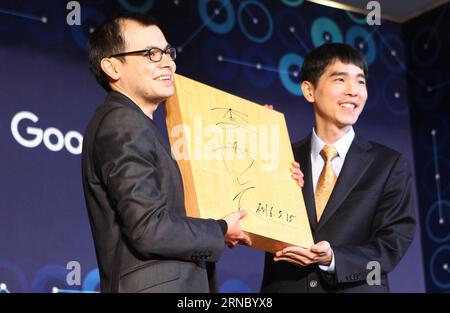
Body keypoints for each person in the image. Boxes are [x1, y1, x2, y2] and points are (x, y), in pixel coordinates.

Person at [82, 13, 251, 293]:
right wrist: (219, 229)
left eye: (167, 52)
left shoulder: (134, 124)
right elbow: (149, 229)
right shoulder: (122, 123)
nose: (168, 62)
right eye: (151, 54)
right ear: (112, 67)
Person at [261, 43, 416, 292]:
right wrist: (256, 142)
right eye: (340, 80)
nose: (354, 91)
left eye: (361, 82)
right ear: (309, 90)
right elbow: (251, 217)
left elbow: (392, 243)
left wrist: (333, 259)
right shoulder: (281, 156)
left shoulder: (389, 164)